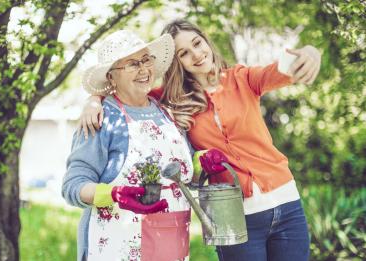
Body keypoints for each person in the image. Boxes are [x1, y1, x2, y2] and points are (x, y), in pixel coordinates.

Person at [77, 19, 321, 261]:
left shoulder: (243, 78)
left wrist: (310, 52)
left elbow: (284, 69)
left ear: (206, 41)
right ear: (177, 63)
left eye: (197, 43)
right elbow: (126, 90)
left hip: (287, 203)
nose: (196, 54)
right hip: (232, 215)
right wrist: (94, 100)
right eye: (184, 53)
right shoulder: (171, 99)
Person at [62, 29, 195, 261]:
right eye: (132, 64)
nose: (143, 70)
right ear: (112, 77)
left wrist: (203, 161)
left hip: (170, 241)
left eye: (146, 60)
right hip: (119, 244)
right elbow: (73, 185)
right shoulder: (101, 118)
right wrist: (113, 194)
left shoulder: (167, 113)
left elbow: (186, 173)